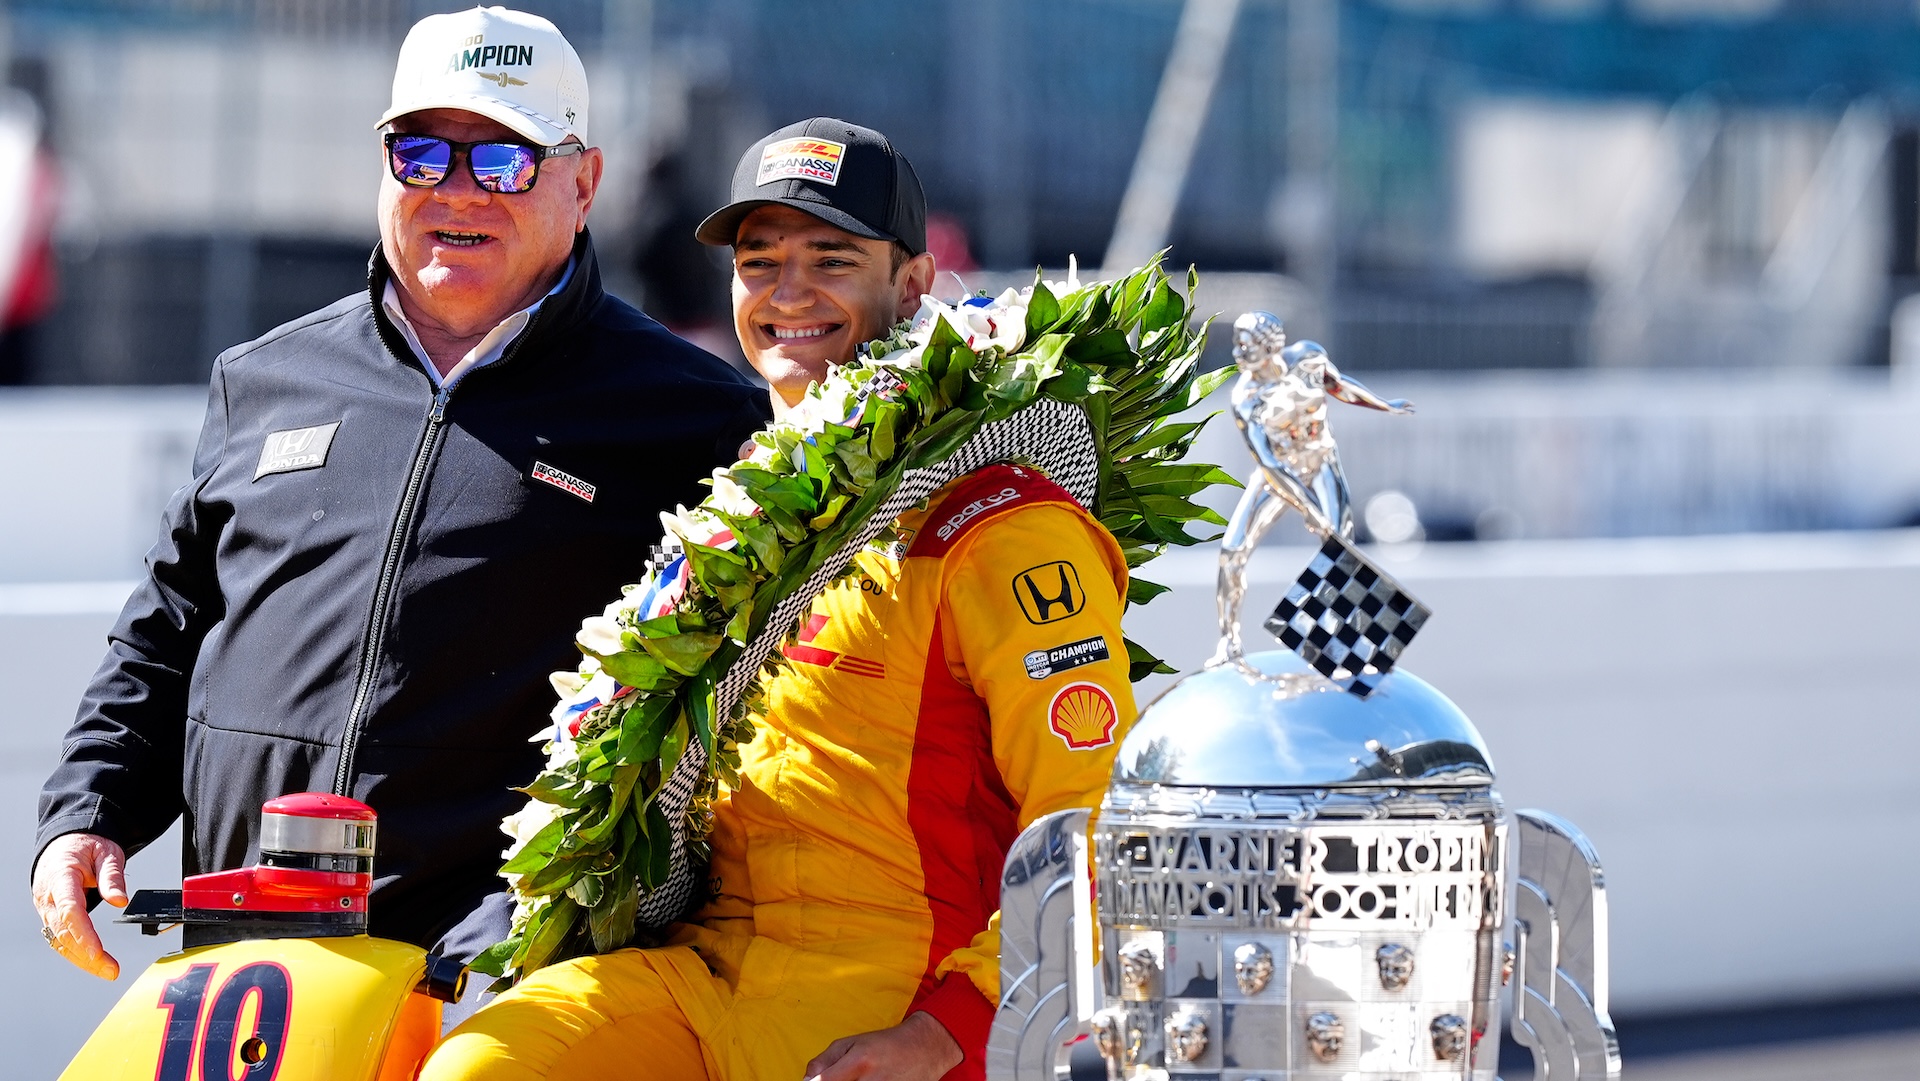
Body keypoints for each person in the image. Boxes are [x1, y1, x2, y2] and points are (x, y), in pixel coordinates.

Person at [32, 6, 767, 989]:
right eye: (422, 153)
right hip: (245, 978)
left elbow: (718, 736)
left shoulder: (696, 420)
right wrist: (87, 813)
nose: (457, 192)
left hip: (496, 997)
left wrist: (534, 929)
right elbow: (167, 632)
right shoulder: (266, 377)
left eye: (503, 160)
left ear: (584, 183)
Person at [422, 119, 1135, 1081]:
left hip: (899, 1005)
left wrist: (941, 1033)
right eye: (760, 263)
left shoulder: (1002, 526)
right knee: (482, 1062)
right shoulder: (742, 516)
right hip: (710, 976)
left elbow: (1095, 818)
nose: (787, 295)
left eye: (830, 260)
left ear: (916, 286)